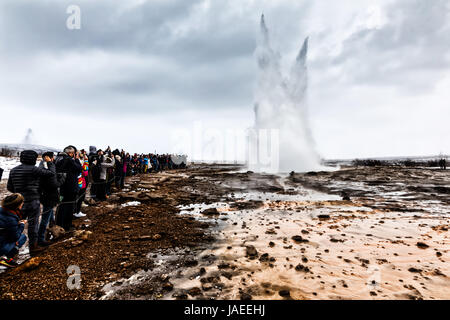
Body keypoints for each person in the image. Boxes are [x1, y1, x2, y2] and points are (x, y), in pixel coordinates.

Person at [7, 150, 54, 255]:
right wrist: (49, 162)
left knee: (15, 225)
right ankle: (33, 247)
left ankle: (10, 249)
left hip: (18, 203)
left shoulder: (14, 170)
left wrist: (19, 194)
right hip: (33, 201)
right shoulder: (35, 170)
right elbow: (51, 174)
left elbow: (9, 187)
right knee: (33, 225)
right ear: (33, 159)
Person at [37, 152, 66, 246]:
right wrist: (62, 179)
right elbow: (54, 184)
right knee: (45, 219)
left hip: (45, 195)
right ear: (49, 158)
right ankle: (40, 239)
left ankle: (52, 228)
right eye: (52, 157)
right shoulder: (48, 167)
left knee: (49, 215)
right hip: (49, 196)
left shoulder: (41, 166)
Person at [55, 146, 82, 232]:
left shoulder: (58, 159)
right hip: (70, 188)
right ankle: (66, 226)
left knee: (62, 205)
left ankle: (60, 224)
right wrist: (77, 159)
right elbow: (79, 169)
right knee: (69, 207)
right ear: (71, 153)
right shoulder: (69, 160)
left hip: (62, 187)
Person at [0, 194, 27, 268]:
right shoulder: (11, 219)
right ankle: (6, 257)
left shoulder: (1, 210)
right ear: (16, 205)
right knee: (22, 237)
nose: (22, 204)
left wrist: (15, 224)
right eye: (21, 203)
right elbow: (15, 237)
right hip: (1, 246)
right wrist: (21, 224)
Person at [74, 151, 89, 218]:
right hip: (80, 182)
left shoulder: (74, 161)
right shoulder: (78, 162)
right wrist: (86, 162)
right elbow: (85, 172)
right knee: (79, 198)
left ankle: (75, 211)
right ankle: (77, 212)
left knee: (76, 198)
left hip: (77, 182)